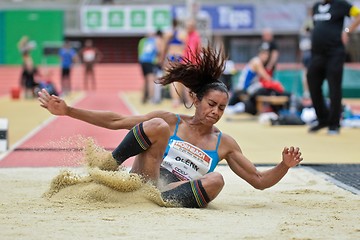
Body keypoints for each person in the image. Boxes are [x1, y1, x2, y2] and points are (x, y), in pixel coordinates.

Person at [38, 45, 303, 209]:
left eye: (222, 108)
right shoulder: (172, 120)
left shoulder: (225, 144)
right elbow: (117, 121)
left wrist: (284, 166)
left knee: (217, 180)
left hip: (171, 194)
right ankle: (110, 165)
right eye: (211, 104)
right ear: (196, 99)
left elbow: (258, 181)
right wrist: (68, 111)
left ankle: (158, 201)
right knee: (155, 125)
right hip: (144, 179)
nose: (216, 112)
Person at [307, 0, 360, 135]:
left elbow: (358, 14)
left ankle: (334, 123)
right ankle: (322, 118)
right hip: (317, 54)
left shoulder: (341, 4)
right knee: (312, 81)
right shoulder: (316, 7)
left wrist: (347, 31)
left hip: (334, 53)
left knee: (334, 87)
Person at [226, 46, 287, 115]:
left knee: (263, 89)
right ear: (260, 54)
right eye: (264, 54)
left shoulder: (260, 63)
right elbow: (267, 78)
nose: (266, 57)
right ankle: (237, 108)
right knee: (263, 89)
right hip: (244, 88)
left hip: (248, 88)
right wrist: (278, 85)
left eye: (267, 55)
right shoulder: (257, 62)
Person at [162, 19, 187, 107]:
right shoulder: (183, 34)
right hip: (180, 56)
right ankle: (178, 99)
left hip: (171, 56)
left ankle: (175, 100)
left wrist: (162, 60)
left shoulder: (168, 34)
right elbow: (186, 47)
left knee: (173, 79)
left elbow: (164, 48)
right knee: (179, 79)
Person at [138, 30, 164, 104]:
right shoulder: (156, 41)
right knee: (151, 81)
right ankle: (151, 98)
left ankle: (143, 97)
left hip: (143, 61)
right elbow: (159, 51)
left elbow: (141, 51)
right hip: (150, 62)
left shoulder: (144, 41)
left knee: (145, 80)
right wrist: (160, 61)